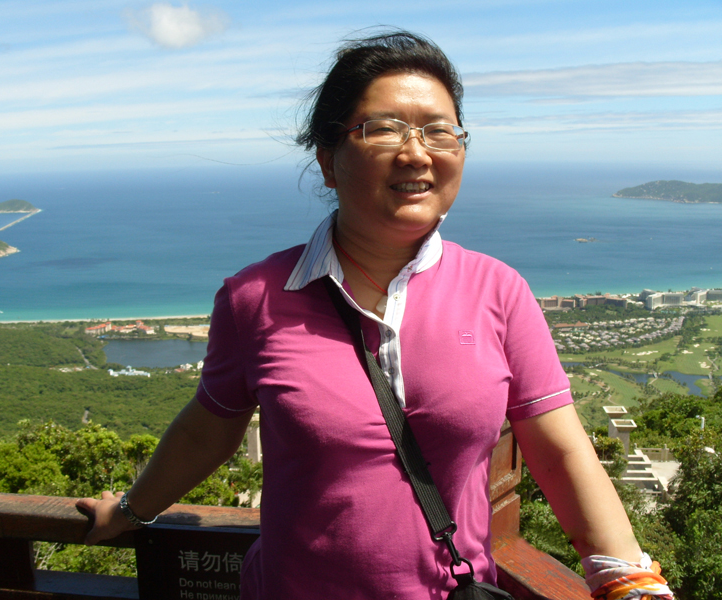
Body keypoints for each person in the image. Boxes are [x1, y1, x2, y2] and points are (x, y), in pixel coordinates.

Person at [77, 31, 673, 600]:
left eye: (439, 132)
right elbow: (209, 426)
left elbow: (561, 452)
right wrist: (129, 511)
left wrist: (628, 580)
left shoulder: (498, 291)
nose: (416, 152)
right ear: (328, 160)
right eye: (383, 129)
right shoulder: (255, 297)